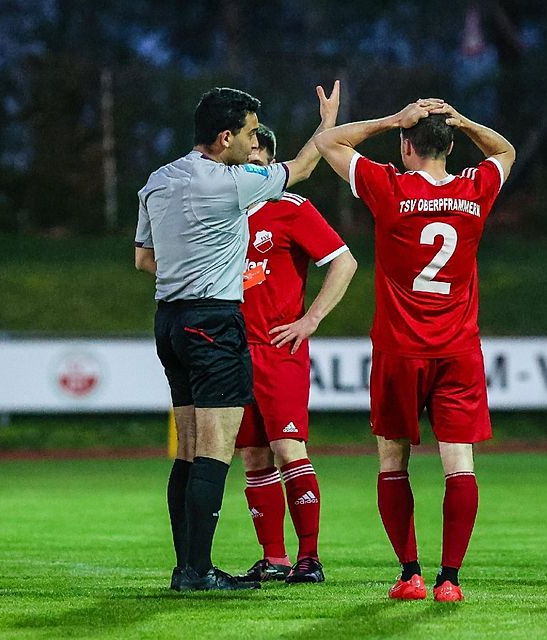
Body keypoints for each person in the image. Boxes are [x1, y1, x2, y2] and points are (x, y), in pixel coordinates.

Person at [134, 82, 340, 591]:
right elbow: (306, 165)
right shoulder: (230, 183)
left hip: (169, 321)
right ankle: (200, 572)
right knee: (215, 452)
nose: (254, 144)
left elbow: (143, 257)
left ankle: (186, 568)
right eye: (248, 133)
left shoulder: (158, 181)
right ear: (224, 137)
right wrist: (328, 123)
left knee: (187, 450)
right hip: (215, 323)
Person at [314, 99, 515, 602]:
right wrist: (466, 122)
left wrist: (388, 120)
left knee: (391, 461)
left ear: (407, 146)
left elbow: (327, 142)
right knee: (460, 465)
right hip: (458, 349)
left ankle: (410, 574)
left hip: (400, 349)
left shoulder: (389, 187)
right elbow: (506, 151)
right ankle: (450, 580)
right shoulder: (475, 189)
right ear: (449, 146)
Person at [233, 124, 357, 585]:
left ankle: (310, 558)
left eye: (256, 158)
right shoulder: (222, 211)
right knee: (252, 455)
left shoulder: (291, 208)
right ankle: (274, 557)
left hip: (277, 348)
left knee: (288, 448)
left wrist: (312, 319)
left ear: (269, 160)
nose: (248, 166)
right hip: (233, 352)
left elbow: (344, 261)